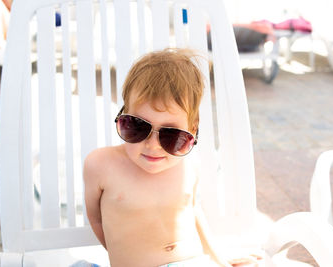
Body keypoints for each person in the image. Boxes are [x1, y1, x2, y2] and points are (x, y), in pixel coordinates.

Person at [83, 48, 260, 267]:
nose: (153, 145)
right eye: (138, 127)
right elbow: (96, 218)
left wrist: (219, 258)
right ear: (122, 117)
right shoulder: (101, 165)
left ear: (192, 132)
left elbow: (194, 214)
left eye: (171, 136)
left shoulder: (188, 167)